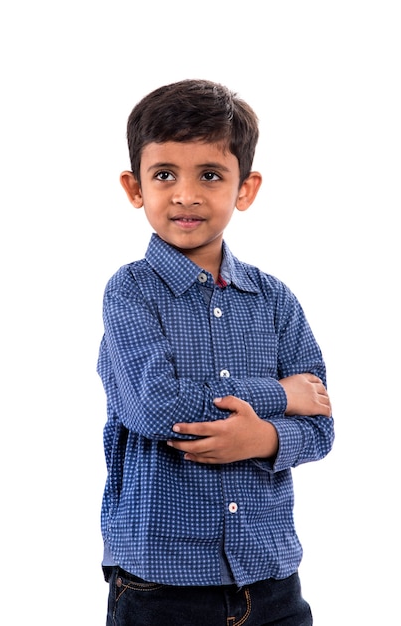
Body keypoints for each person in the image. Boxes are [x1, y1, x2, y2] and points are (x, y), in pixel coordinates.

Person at [97, 79, 334, 626]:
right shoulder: (130, 292)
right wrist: (277, 396)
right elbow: (155, 409)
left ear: (244, 189)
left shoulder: (274, 300)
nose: (186, 195)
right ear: (135, 187)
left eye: (209, 175)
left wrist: (266, 436)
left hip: (271, 578)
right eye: (164, 176)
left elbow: (321, 420)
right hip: (162, 585)